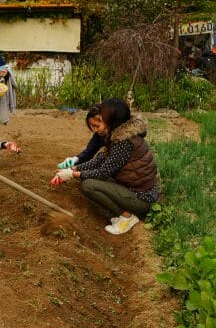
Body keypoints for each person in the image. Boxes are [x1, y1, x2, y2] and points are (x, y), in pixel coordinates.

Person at [49, 97, 160, 235]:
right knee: (87, 178)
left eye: (103, 115)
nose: (99, 117)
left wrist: (72, 175)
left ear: (112, 120)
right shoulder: (117, 134)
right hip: (133, 187)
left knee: (88, 185)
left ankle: (127, 217)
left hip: (141, 198)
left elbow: (103, 172)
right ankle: (125, 214)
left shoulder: (123, 141)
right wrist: (73, 169)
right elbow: (100, 160)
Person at [55, 103, 105, 170]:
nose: (95, 130)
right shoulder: (99, 135)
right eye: (92, 126)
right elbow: (89, 152)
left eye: (97, 126)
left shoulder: (117, 138)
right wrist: (75, 159)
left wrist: (74, 171)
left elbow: (103, 166)